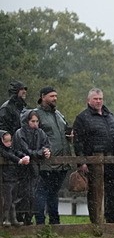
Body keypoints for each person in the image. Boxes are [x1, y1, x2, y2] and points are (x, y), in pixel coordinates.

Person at [73, 88, 114, 224]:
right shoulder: (82, 118)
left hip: (110, 159)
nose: (98, 101)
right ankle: (96, 221)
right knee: (94, 191)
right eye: (95, 99)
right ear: (89, 100)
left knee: (113, 190)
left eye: (100, 99)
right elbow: (78, 142)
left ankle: (111, 219)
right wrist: (82, 162)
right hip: (92, 160)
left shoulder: (109, 116)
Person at [32, 86, 71, 225]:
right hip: (45, 162)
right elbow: (32, 136)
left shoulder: (59, 115)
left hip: (61, 162)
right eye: (51, 96)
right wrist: (41, 152)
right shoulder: (36, 114)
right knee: (41, 192)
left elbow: (64, 133)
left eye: (56, 96)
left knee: (54, 192)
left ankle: (55, 222)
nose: (55, 98)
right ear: (43, 97)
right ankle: (40, 223)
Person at [13, 109, 50, 225]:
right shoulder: (20, 133)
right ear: (26, 121)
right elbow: (25, 151)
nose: (35, 124)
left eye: (37, 121)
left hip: (34, 169)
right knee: (21, 194)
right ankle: (19, 218)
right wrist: (40, 153)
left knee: (32, 195)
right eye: (32, 121)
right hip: (21, 169)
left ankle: (28, 218)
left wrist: (47, 151)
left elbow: (47, 145)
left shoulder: (40, 133)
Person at [0, 130, 26, 225]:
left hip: (13, 177)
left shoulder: (11, 149)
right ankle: (5, 219)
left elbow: (16, 152)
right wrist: (19, 160)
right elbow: (8, 155)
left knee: (12, 200)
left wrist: (24, 156)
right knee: (7, 200)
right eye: (6, 141)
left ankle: (13, 219)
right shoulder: (2, 150)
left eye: (10, 141)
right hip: (5, 179)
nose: (9, 143)